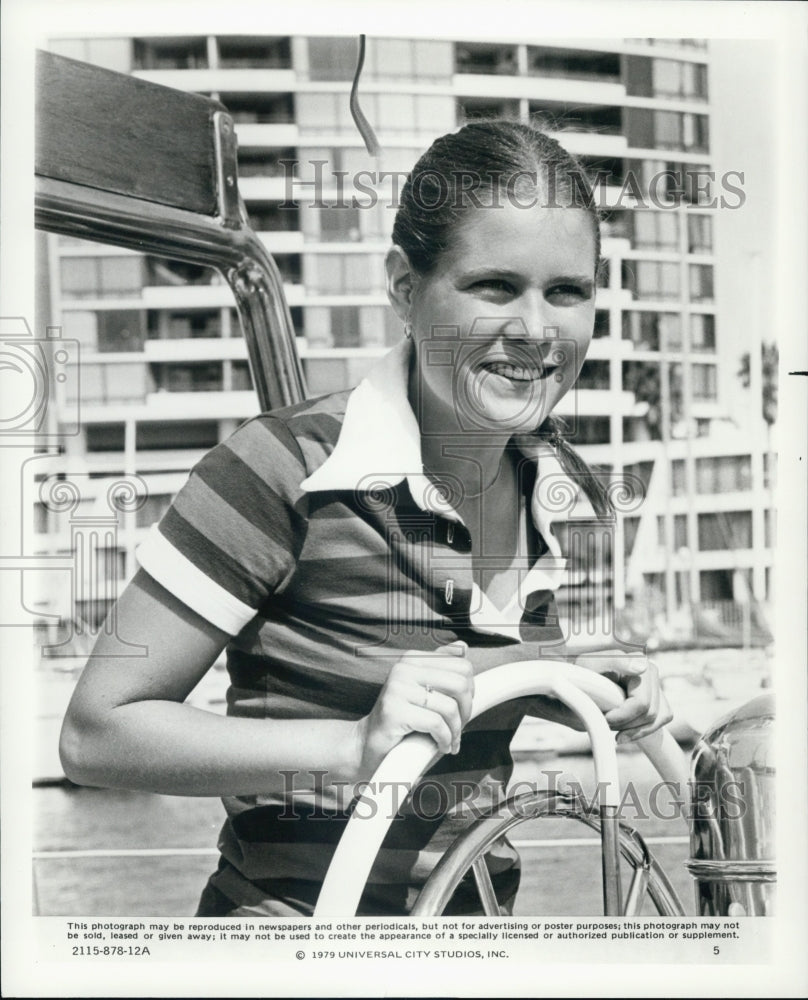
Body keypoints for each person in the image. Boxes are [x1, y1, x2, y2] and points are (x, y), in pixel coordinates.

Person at [60, 120, 672, 917]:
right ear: (404, 287)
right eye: (494, 286)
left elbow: (445, 687)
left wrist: (582, 685)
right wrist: (352, 749)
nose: (534, 328)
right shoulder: (280, 469)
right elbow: (96, 736)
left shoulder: (557, 492)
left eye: (566, 292)